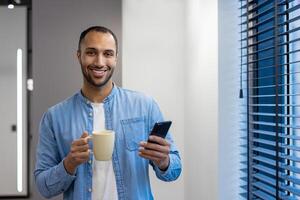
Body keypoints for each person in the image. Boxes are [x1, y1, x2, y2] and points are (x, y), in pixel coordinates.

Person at [34, 26, 182, 200]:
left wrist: (163, 161)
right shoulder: (54, 117)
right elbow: (43, 187)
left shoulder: (145, 106)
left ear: (116, 58)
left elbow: (175, 170)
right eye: (91, 52)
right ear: (78, 56)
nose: (99, 62)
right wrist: (69, 164)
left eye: (108, 54)